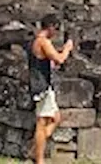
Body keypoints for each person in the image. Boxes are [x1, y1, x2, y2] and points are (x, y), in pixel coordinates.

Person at [28, 14, 74, 164]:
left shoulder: (35, 41)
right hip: (41, 85)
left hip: (45, 84)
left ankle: (35, 148)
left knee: (56, 117)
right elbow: (59, 59)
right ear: (51, 27)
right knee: (42, 122)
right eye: (56, 29)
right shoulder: (43, 42)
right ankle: (39, 159)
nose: (56, 32)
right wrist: (67, 49)